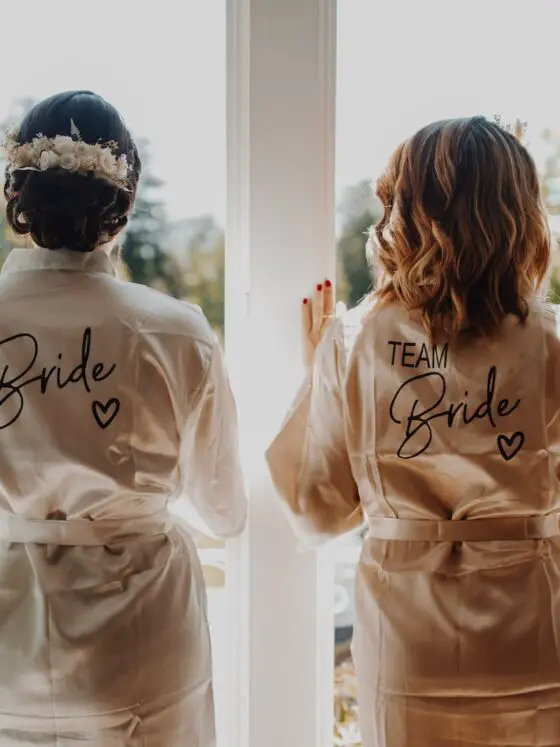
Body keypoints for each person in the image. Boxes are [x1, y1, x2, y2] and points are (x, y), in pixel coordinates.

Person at [266, 116, 560, 746]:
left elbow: (317, 510)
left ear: (405, 210)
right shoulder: (554, 342)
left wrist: (317, 373)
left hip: (406, 642)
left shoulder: (352, 341)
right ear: (520, 214)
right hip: (535, 631)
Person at [0, 91, 246, 746]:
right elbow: (225, 508)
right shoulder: (177, 330)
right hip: (141, 646)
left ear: (15, 191)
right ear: (122, 203)